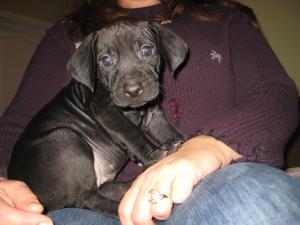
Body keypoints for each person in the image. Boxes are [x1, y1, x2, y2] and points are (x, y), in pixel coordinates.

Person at [0, 0, 300, 224]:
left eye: (146, 51)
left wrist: (200, 147)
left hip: (209, 183)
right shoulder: (70, 36)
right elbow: (15, 125)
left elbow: (276, 94)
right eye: (107, 60)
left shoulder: (225, 17)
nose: (130, 83)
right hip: (69, 194)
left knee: (257, 204)